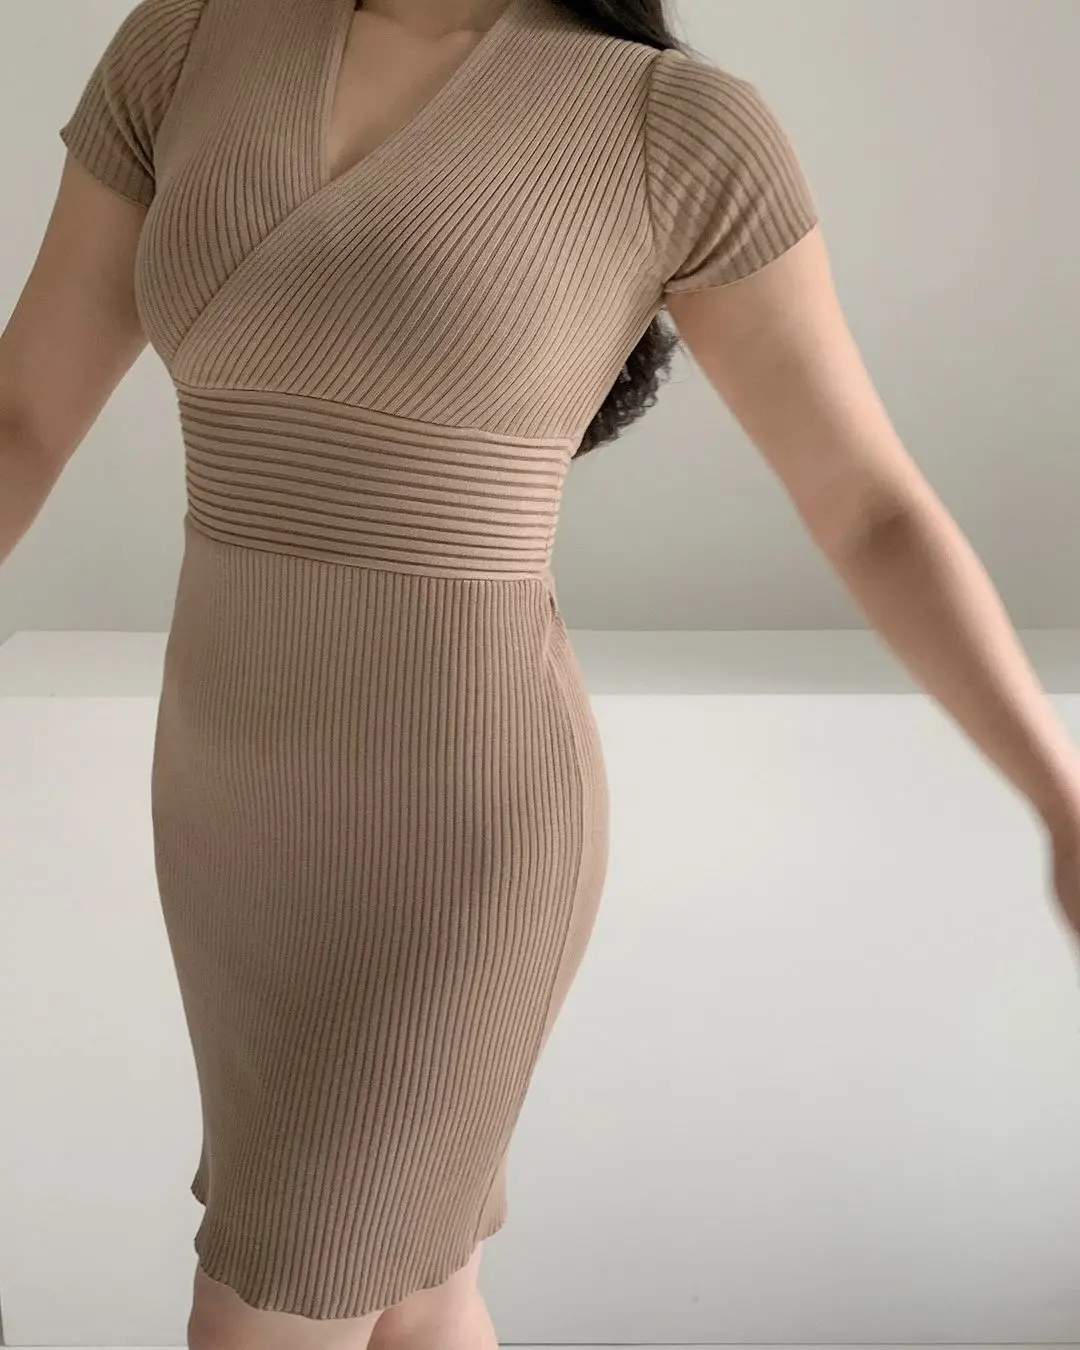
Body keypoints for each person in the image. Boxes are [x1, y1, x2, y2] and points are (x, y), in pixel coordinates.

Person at [2, 0, 1078, 1343]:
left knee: (275, 1298)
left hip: (463, 830)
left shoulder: (672, 128)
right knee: (419, 1299)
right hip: (225, 817)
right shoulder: (188, 41)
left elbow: (868, 506)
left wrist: (1062, 799)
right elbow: (20, 416)